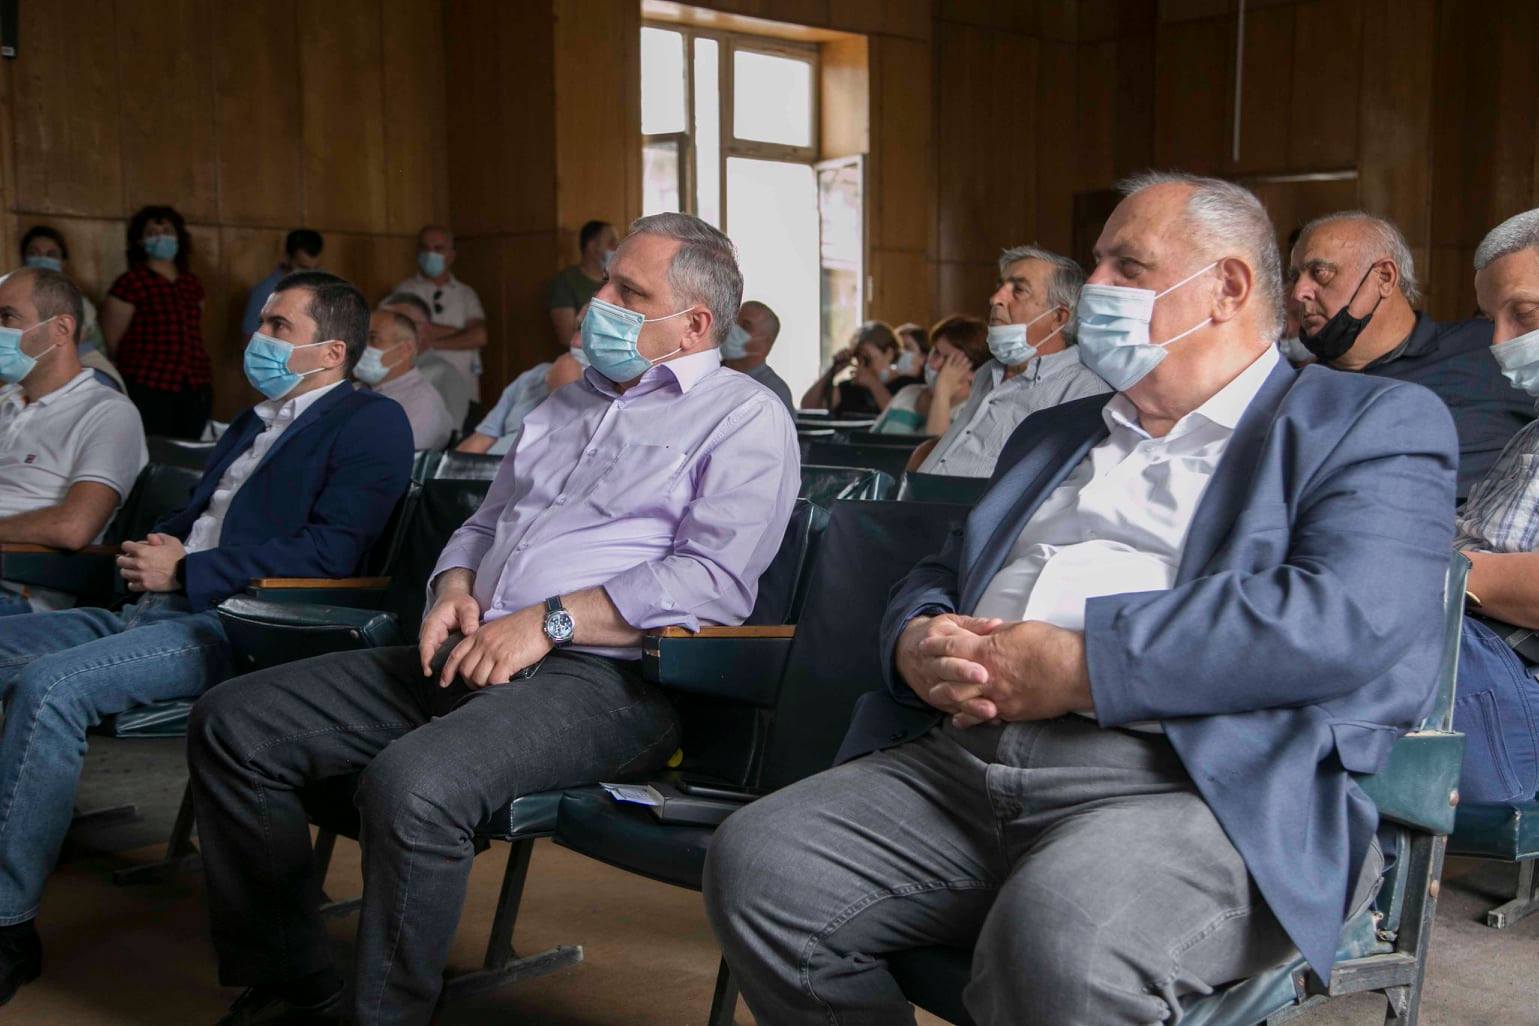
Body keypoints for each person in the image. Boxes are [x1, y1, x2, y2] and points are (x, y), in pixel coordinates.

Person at [704, 172, 1460, 1026]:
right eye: (1095, 263)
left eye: (1125, 267)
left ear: (1227, 287)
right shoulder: (1053, 432)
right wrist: (916, 639)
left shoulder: (1365, 421)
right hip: (966, 760)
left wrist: (1083, 665)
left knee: (1064, 937)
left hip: (1194, 785)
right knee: (762, 865)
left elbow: (1345, 616)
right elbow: (940, 571)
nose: (1093, 287)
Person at [187, 213, 799, 1026]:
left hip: (609, 681)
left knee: (413, 785)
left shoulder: (743, 416)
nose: (598, 303)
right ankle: (295, 982)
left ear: (693, 325)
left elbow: (714, 580)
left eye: (628, 292)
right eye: (605, 281)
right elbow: (483, 524)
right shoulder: (566, 403)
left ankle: (386, 1016)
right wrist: (452, 586)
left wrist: (549, 622)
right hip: (475, 642)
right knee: (233, 722)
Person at [0, 270, 412, 1005]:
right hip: (150, 605)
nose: (259, 336)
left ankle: (7, 925)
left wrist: (190, 569)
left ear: (331, 352)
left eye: (279, 327)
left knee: (50, 686)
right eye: (263, 322)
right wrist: (156, 549)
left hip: (233, 624)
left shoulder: (370, 421)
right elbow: (196, 516)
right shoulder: (255, 419)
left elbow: (332, 554)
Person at [1290, 211, 1533, 498]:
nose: (1298, 292)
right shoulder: (1293, 392)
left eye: (1320, 273)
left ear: (1384, 277)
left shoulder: (1487, 350)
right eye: (1295, 277)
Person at [1445, 208, 1539, 804]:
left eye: (1523, 315)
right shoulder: (1529, 437)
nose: (1500, 343)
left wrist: (1434, 571)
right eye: (1491, 320)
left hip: (1515, 686)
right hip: (1467, 656)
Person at [0, 268, 146, 616]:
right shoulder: (5, 401)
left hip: (20, 591)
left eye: (7, 317)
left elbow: (74, 527)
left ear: (61, 329)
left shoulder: (108, 412)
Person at [916, 245, 1110, 477]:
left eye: (1018, 290)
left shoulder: (1084, 391)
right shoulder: (988, 372)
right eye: (1000, 286)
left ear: (1058, 318)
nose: (995, 299)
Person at [100, 205, 211, 438]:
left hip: (193, 381)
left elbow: (194, 328)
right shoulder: (131, 282)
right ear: (141, 241)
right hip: (148, 382)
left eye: (167, 231)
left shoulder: (191, 282)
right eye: (152, 233)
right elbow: (112, 339)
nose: (161, 237)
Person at [459, 304, 590, 455]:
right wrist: (447, 468)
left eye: (592, 332)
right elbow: (480, 441)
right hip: (488, 467)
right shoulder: (535, 375)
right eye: (577, 329)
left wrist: (564, 389)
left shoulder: (612, 396)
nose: (575, 342)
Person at [18, 226, 122, 391]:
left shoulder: (79, 303)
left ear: (63, 261)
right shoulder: (13, 298)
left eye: (51, 254)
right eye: (33, 253)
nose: (42, 258)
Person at [390, 226, 487, 400]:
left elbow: (479, 337)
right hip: (421, 391)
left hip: (463, 389)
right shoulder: (404, 291)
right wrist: (462, 333)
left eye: (438, 248)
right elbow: (413, 332)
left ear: (451, 255)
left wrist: (432, 343)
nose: (430, 254)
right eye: (425, 248)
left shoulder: (466, 294)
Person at [355, 309, 455, 451]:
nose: (362, 347)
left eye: (373, 339)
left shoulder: (421, 403)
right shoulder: (355, 389)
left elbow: (389, 457)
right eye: (360, 339)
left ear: (405, 349)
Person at [873, 314, 990, 435]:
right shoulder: (908, 393)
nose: (933, 364)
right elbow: (871, 439)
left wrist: (942, 392)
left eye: (947, 359)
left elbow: (935, 445)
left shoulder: (976, 410)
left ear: (974, 372)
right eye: (935, 352)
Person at [380, 292, 472, 430]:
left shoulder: (443, 374)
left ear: (425, 329)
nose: (385, 332)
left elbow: (451, 433)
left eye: (400, 324)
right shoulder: (376, 371)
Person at [799, 320, 920, 416]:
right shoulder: (850, 389)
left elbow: (897, 418)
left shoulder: (907, 386)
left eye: (868, 359)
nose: (862, 365)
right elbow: (808, 406)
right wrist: (832, 371)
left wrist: (873, 384)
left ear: (889, 353)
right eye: (858, 358)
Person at [240, 229, 324, 339]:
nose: (310, 274)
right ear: (287, 258)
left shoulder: (324, 285)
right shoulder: (264, 292)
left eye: (315, 268)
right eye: (303, 267)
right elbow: (248, 338)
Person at [549, 219, 617, 345]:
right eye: (611, 242)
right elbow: (567, 337)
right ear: (592, 247)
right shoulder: (566, 281)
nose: (617, 248)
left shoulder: (618, 282)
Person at [720, 300, 794, 413]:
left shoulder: (774, 391)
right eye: (732, 321)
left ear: (765, 342)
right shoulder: (704, 375)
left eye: (745, 326)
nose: (732, 328)